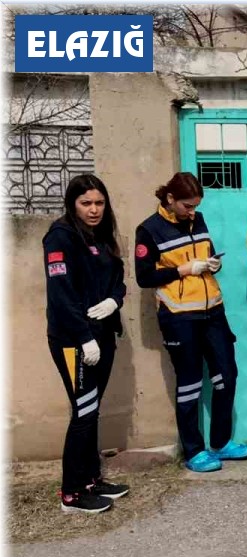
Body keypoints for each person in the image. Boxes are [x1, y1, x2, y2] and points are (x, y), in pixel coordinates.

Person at [135, 172, 247, 473]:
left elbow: (208, 253)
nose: (192, 211)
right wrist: (184, 270)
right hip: (179, 317)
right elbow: (144, 276)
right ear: (170, 199)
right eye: (187, 206)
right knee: (189, 385)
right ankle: (193, 450)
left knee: (227, 376)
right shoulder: (148, 230)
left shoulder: (197, 221)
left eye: (196, 206)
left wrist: (213, 263)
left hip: (213, 310)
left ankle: (222, 442)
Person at [44, 174, 130, 514]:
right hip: (73, 340)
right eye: (86, 203)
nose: (94, 209)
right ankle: (71, 494)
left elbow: (118, 280)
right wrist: (84, 338)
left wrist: (114, 301)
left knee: (92, 411)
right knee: (82, 412)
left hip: (103, 333)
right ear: (72, 204)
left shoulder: (102, 235)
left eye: (99, 202)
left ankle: (91, 478)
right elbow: (61, 295)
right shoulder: (60, 237)